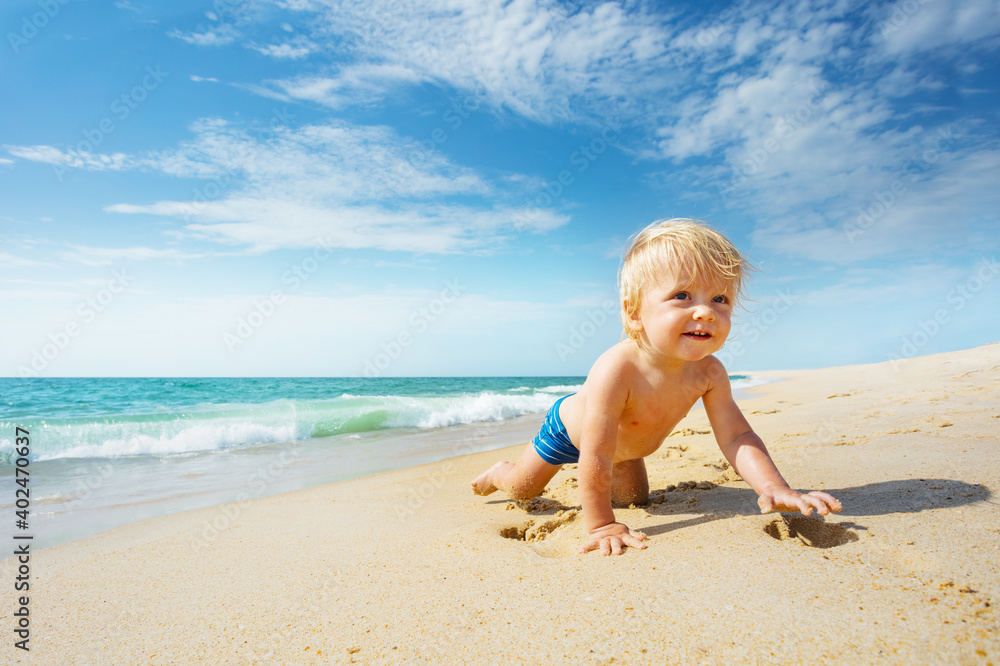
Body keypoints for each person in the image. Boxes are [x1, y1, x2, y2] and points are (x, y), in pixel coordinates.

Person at [471, 218, 842, 556]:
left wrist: (774, 487)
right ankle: (499, 471)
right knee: (524, 489)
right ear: (634, 312)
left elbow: (737, 436)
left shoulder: (709, 373)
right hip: (574, 434)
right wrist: (601, 524)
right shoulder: (617, 369)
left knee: (636, 498)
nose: (705, 311)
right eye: (682, 295)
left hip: (626, 448)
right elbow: (596, 455)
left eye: (720, 299)